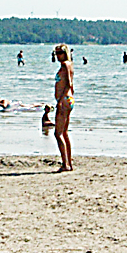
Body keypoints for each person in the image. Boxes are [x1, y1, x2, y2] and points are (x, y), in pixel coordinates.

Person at [52, 44, 74, 172]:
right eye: (56, 53)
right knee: (64, 133)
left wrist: (60, 101)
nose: (57, 55)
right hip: (68, 99)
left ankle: (66, 164)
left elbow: (69, 84)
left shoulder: (66, 65)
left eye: (59, 52)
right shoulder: (68, 65)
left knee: (58, 133)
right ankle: (68, 163)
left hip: (65, 99)